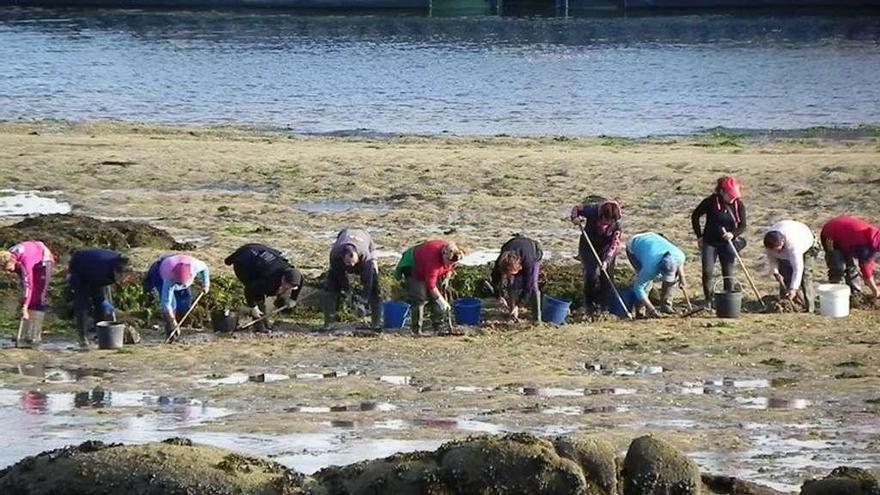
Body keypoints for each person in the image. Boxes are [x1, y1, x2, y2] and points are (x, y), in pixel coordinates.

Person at [691, 177, 747, 305]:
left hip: (727, 243)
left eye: (735, 196)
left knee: (728, 272)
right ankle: (709, 300)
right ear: (722, 192)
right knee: (707, 272)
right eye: (730, 196)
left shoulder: (739, 205)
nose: (733, 199)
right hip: (709, 242)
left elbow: (743, 225)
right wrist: (699, 236)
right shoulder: (710, 202)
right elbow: (695, 216)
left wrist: (733, 234)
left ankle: (729, 301)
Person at [224, 243, 302, 332]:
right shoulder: (269, 279)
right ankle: (260, 326)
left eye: (292, 287)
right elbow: (249, 289)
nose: (288, 289)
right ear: (283, 279)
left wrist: (293, 299)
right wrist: (254, 307)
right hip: (244, 263)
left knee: (273, 289)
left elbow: (300, 282)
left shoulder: (295, 275)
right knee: (258, 294)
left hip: (259, 252)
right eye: (287, 286)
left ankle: (276, 306)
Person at [67, 248, 133, 347]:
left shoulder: (120, 264)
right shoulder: (100, 271)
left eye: (125, 279)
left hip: (95, 265)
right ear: (115, 272)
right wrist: (104, 303)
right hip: (79, 267)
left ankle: (100, 335)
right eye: (120, 279)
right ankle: (83, 337)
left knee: (100, 305)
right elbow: (95, 291)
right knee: (83, 304)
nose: (122, 282)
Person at [397, 239, 462, 335]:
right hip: (414, 266)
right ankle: (416, 330)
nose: (449, 265)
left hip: (431, 268)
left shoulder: (453, 254)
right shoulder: (433, 260)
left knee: (438, 294)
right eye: (448, 262)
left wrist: (447, 276)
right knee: (420, 298)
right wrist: (442, 301)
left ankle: (438, 325)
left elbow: (451, 266)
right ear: (443, 254)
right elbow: (431, 286)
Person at [570, 200, 622, 312]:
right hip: (588, 246)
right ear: (601, 214)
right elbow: (576, 209)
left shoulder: (617, 226)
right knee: (591, 274)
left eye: (609, 222)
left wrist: (606, 261)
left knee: (607, 277)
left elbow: (614, 245)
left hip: (605, 249)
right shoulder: (592, 210)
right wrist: (575, 218)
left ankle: (604, 307)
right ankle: (589, 305)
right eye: (605, 220)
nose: (606, 223)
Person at [0, 240, 55, 346]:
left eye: (7, 269)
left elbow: (28, 285)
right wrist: (24, 302)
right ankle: (24, 333)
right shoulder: (9, 255)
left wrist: (25, 307)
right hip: (29, 255)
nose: (8, 272)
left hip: (43, 261)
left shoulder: (25, 261)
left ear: (12, 261)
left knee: (38, 296)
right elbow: (24, 285)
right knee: (27, 296)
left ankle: (34, 335)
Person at [144, 254, 210, 342]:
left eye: (182, 283)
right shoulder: (168, 279)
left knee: (185, 302)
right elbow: (166, 304)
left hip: (176, 261)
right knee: (172, 304)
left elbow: (205, 268)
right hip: (159, 272)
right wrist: (172, 322)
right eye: (178, 283)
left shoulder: (195, 266)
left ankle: (179, 325)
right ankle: (171, 331)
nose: (180, 285)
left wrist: (206, 284)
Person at [324, 229, 381, 329]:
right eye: (349, 263)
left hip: (365, 240)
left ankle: (376, 323)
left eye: (353, 263)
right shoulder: (335, 254)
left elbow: (368, 282)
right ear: (343, 257)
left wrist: (363, 300)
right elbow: (339, 275)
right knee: (331, 288)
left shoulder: (365, 256)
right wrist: (347, 292)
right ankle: (329, 323)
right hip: (344, 236)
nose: (352, 266)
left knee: (374, 288)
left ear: (357, 257)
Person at [626, 232, 687, 318]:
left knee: (674, 277)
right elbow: (638, 287)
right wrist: (651, 308)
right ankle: (641, 312)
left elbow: (680, 264)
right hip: (634, 245)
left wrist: (682, 277)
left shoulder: (679, 255)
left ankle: (666, 306)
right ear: (660, 269)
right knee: (646, 284)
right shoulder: (649, 268)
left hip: (653, 238)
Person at [820, 215, 880, 299]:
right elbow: (866, 269)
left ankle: (855, 295)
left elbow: (868, 263)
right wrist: (875, 290)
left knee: (850, 267)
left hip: (848, 238)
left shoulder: (874, 243)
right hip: (831, 233)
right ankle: (836, 294)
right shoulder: (866, 246)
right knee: (838, 267)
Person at [763, 221, 818, 312]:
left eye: (779, 250)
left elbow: (798, 269)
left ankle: (810, 308)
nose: (777, 252)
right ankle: (786, 306)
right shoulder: (769, 242)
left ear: (783, 242)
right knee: (785, 275)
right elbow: (772, 259)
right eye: (775, 250)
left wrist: (793, 289)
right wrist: (776, 273)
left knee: (805, 277)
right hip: (789, 242)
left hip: (808, 244)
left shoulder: (794, 246)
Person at [490, 234, 543, 321]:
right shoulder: (501, 261)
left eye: (511, 273)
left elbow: (528, 287)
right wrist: (499, 296)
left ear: (519, 268)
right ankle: (512, 310)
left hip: (533, 251)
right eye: (506, 274)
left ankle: (537, 318)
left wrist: (519, 305)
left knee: (533, 285)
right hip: (513, 244)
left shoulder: (528, 262)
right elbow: (495, 278)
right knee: (510, 283)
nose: (509, 275)